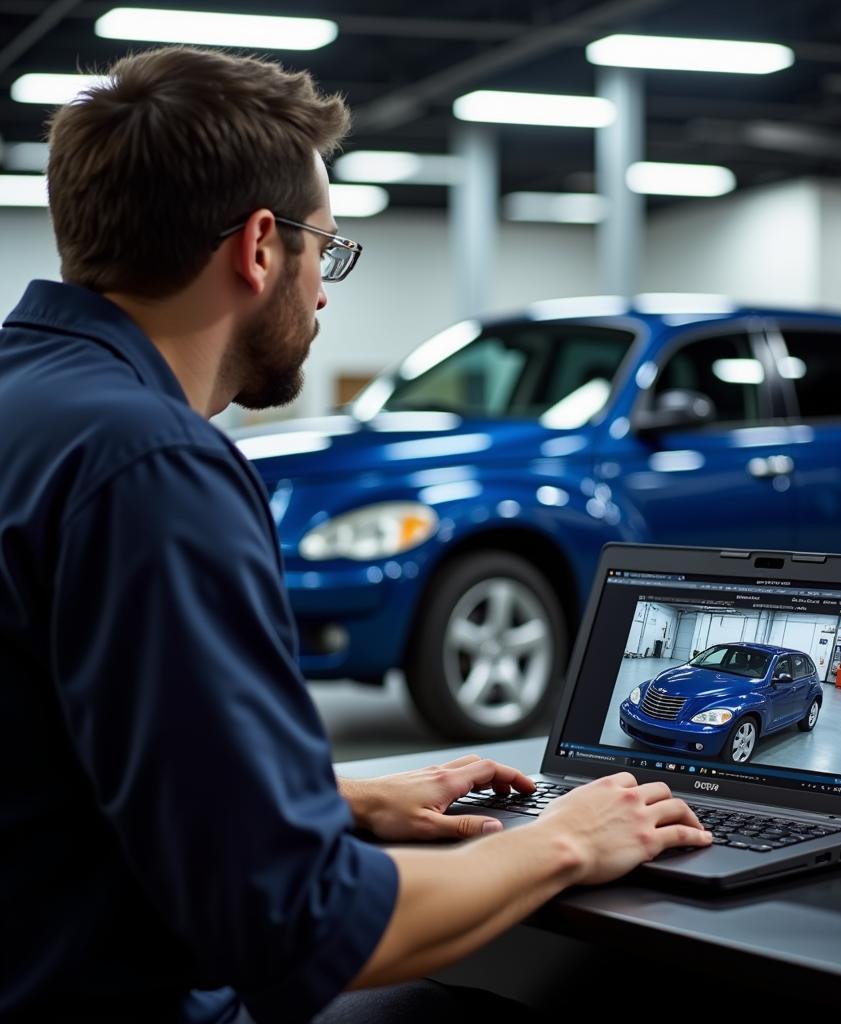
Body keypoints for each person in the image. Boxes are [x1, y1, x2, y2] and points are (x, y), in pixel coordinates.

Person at [0, 46, 710, 1022]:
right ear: (259, 247)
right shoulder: (151, 465)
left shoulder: (31, 407)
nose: (325, 289)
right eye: (324, 249)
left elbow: (60, 770)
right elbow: (301, 923)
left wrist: (337, 801)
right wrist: (568, 837)